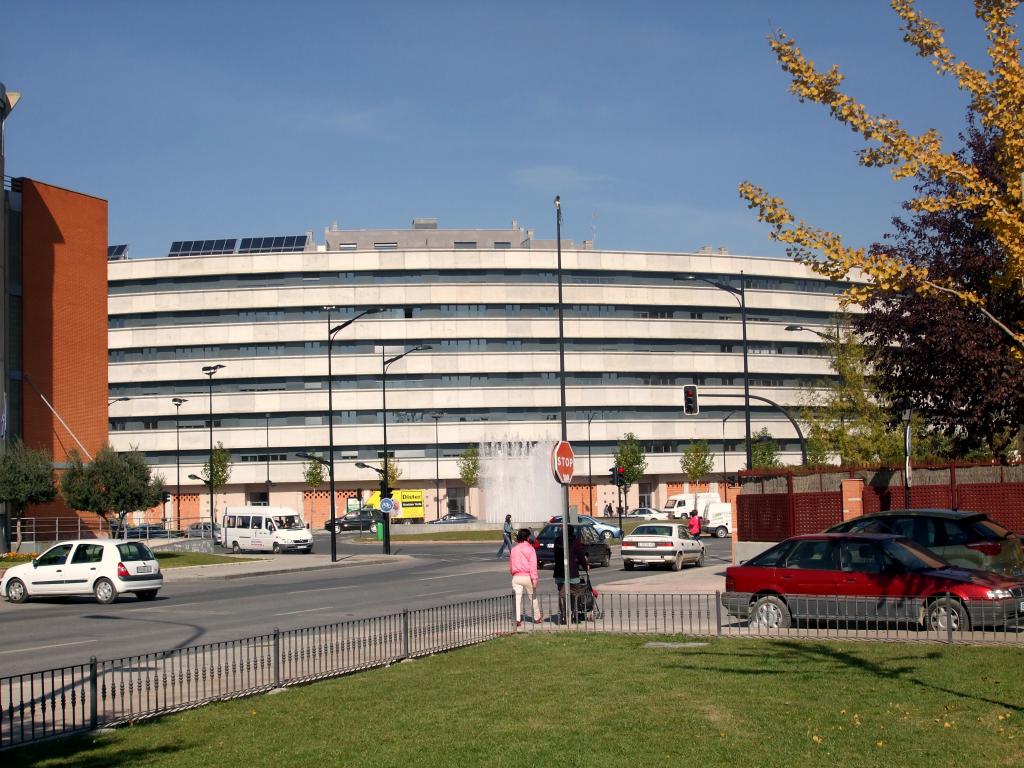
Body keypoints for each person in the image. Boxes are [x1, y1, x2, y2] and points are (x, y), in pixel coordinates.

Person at [552, 525, 589, 624]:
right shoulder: (575, 541)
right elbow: (581, 556)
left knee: (562, 594)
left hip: (559, 572)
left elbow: (555, 556)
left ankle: (564, 615)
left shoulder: (557, 541)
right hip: (572, 572)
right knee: (575, 593)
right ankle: (574, 614)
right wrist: (585, 567)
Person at [509, 528, 542, 627]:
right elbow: (533, 566)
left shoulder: (514, 549)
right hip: (527, 576)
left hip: (516, 577)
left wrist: (513, 573)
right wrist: (535, 579)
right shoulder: (530, 549)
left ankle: (517, 619)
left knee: (517, 598)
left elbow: (511, 564)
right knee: (533, 597)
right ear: (527, 537)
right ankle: (537, 617)